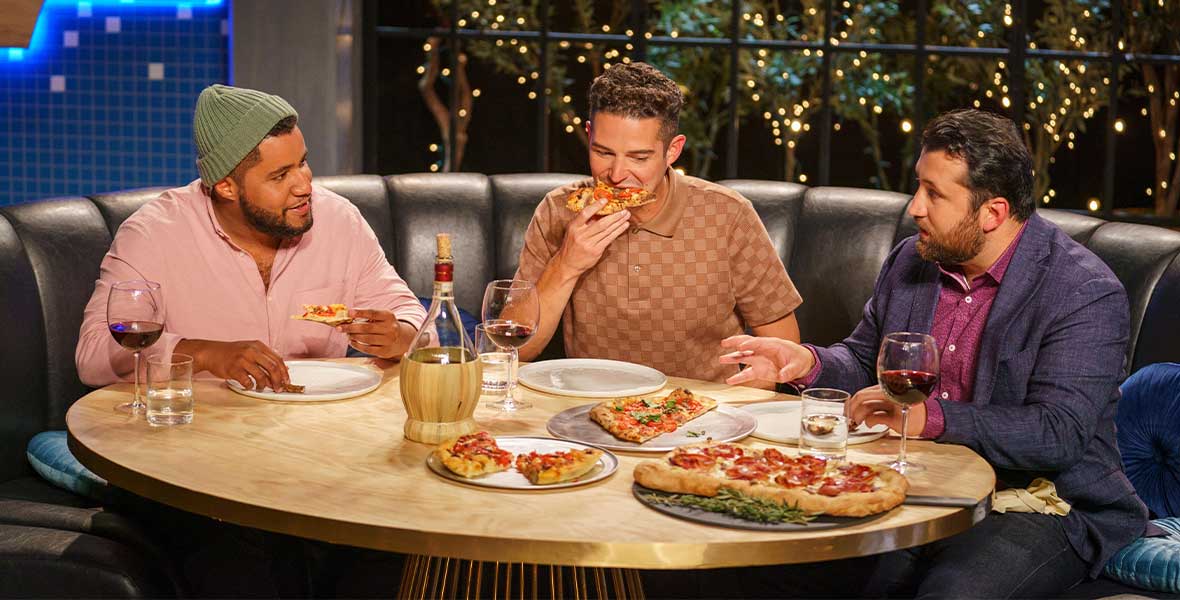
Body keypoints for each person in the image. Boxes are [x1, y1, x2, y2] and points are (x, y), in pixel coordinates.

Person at [720, 109, 1150, 597]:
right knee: (777, 567)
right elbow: (866, 361)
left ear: (993, 212)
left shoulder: (1082, 291)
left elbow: (1057, 433)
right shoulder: (912, 259)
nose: (915, 208)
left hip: (1035, 501)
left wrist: (931, 420)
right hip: (915, 482)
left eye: (935, 194)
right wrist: (805, 363)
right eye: (918, 187)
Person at [76, 84, 426, 391]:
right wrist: (204, 353)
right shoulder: (153, 235)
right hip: (198, 432)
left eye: (303, 162)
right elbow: (92, 354)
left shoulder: (339, 220)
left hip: (313, 431)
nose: (305, 185)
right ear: (226, 186)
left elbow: (417, 324)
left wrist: (399, 335)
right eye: (280, 175)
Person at [514, 62, 802, 385]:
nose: (617, 174)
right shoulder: (558, 210)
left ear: (672, 151)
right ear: (589, 134)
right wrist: (566, 264)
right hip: (587, 411)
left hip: (702, 418)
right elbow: (515, 351)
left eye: (639, 158)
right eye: (603, 152)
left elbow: (784, 350)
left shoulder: (729, 216)